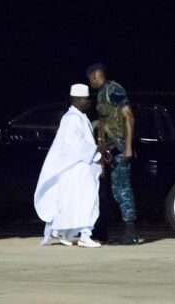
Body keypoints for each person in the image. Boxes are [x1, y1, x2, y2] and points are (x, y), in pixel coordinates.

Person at [34, 84, 103, 248]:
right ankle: (85, 236)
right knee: (87, 201)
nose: (89, 102)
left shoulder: (78, 117)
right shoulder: (72, 119)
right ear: (77, 100)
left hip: (81, 168)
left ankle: (61, 232)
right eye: (86, 99)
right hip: (78, 168)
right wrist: (97, 149)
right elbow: (75, 145)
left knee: (74, 202)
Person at [87, 63, 139, 245]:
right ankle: (112, 232)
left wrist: (128, 147)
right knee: (113, 191)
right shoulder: (103, 93)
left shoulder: (114, 90)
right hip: (110, 148)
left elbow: (129, 116)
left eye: (90, 79)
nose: (90, 83)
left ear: (95, 76)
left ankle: (131, 233)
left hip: (119, 147)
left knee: (122, 190)